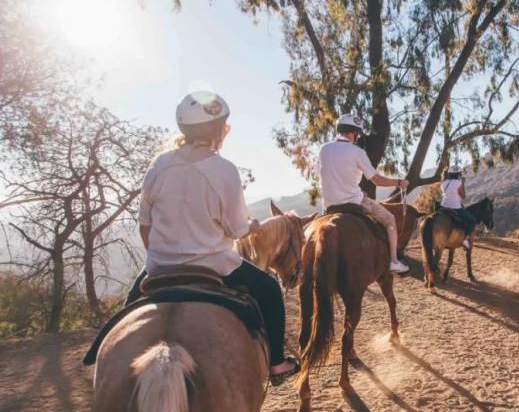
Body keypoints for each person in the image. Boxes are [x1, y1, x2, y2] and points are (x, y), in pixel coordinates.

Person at [125, 91, 298, 383]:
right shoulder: (224, 170)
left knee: (129, 308)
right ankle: (277, 364)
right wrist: (252, 226)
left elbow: (145, 224)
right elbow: (235, 229)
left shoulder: (159, 164)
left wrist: (160, 257)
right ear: (220, 130)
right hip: (216, 265)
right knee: (269, 289)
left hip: (160, 266)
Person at [318, 113, 410, 273]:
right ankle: (394, 261)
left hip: (329, 206)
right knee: (390, 220)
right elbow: (376, 180)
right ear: (354, 133)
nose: (357, 137)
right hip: (355, 202)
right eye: (357, 134)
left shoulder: (323, 149)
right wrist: (399, 183)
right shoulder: (357, 152)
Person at [440, 167, 477, 249]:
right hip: (455, 207)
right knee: (472, 220)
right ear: (457, 174)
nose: (461, 175)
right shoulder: (458, 183)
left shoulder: (444, 183)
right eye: (460, 174)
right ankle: (465, 240)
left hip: (443, 207)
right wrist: (463, 183)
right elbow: (463, 196)